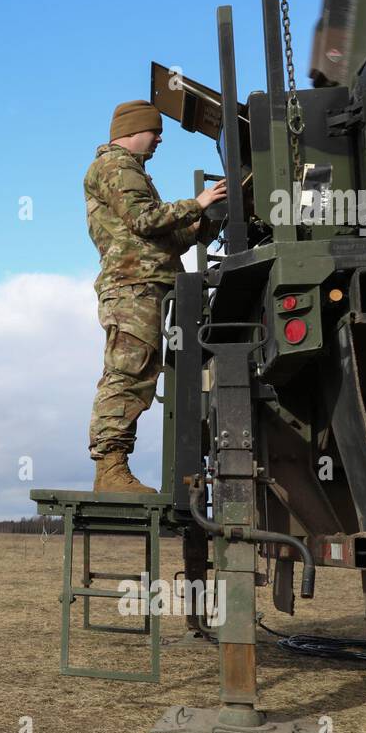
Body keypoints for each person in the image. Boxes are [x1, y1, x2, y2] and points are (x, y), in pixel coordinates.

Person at [86, 99, 228, 493]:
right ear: (133, 131)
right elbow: (144, 220)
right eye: (156, 131)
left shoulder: (132, 171)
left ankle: (114, 466)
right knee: (129, 372)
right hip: (133, 287)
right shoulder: (117, 166)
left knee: (141, 371)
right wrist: (195, 204)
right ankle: (111, 470)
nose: (160, 139)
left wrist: (203, 221)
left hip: (146, 284)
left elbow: (167, 240)